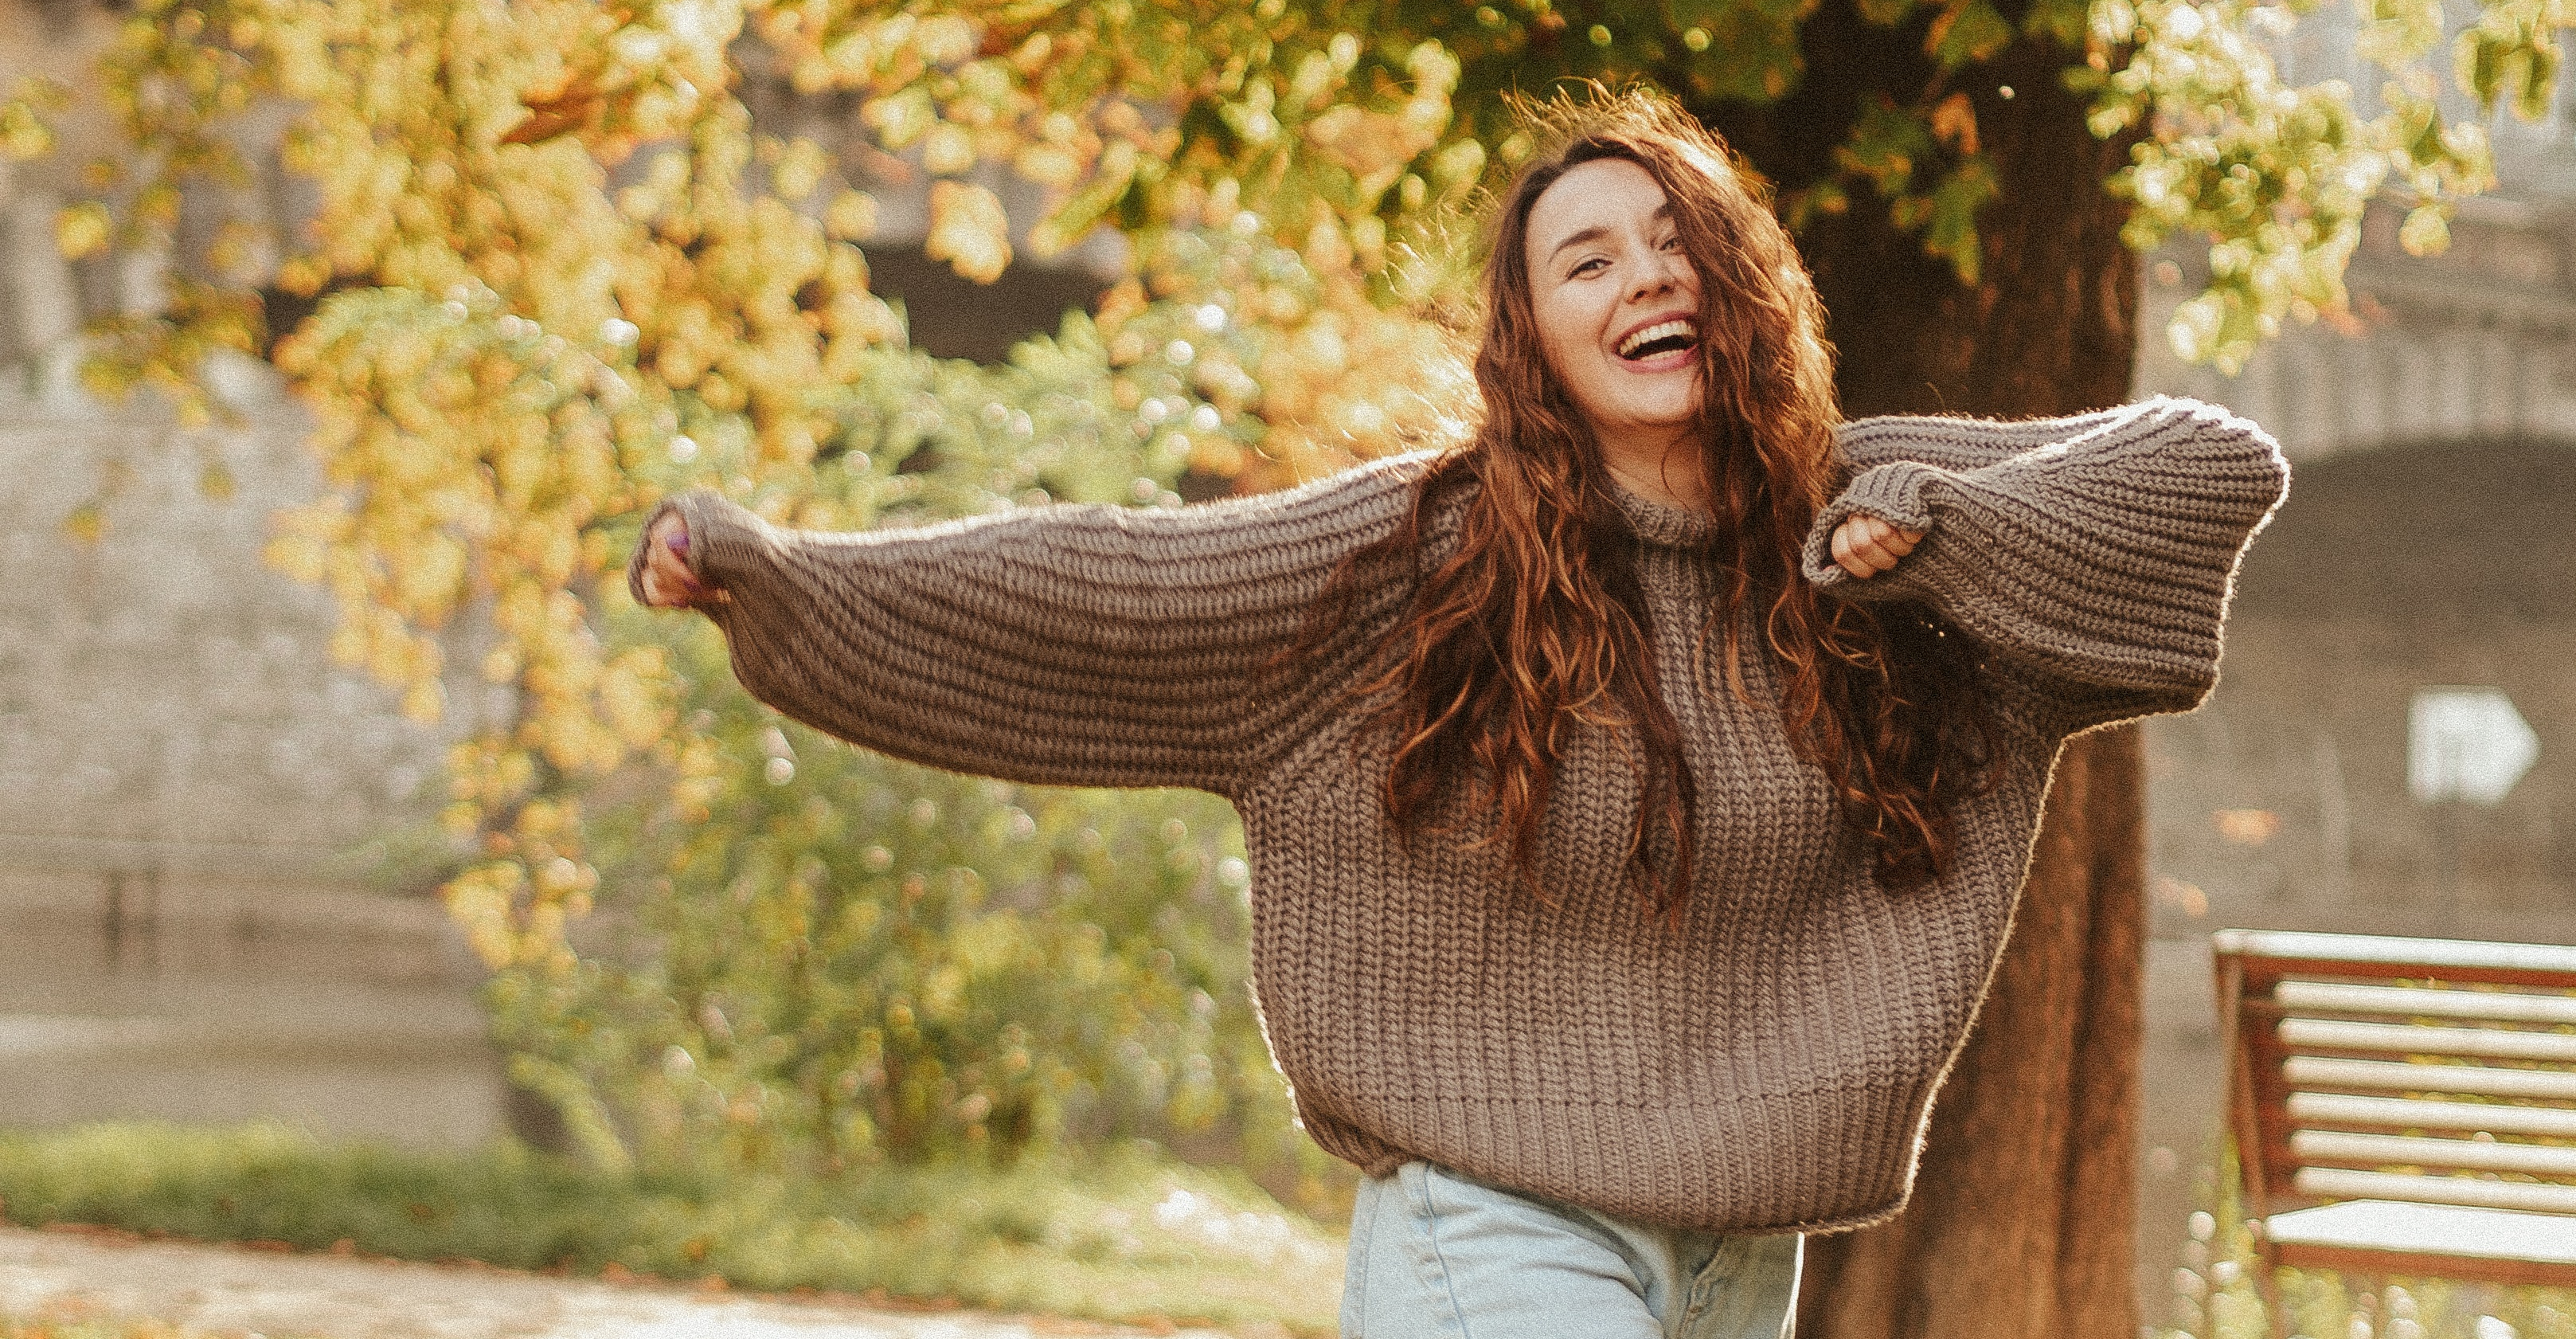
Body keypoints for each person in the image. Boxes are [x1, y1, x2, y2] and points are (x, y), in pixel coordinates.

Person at [633, 92, 2287, 1339]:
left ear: (1746, 288)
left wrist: (1937, 543)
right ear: (1537, 339)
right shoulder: (1409, 565)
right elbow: (1110, 588)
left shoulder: (1875, 522)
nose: (1648, 278)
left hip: (1743, 1248)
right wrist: (779, 582)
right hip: (1492, 1231)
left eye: (1679, 245)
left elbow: (2213, 468)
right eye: (1592, 259)